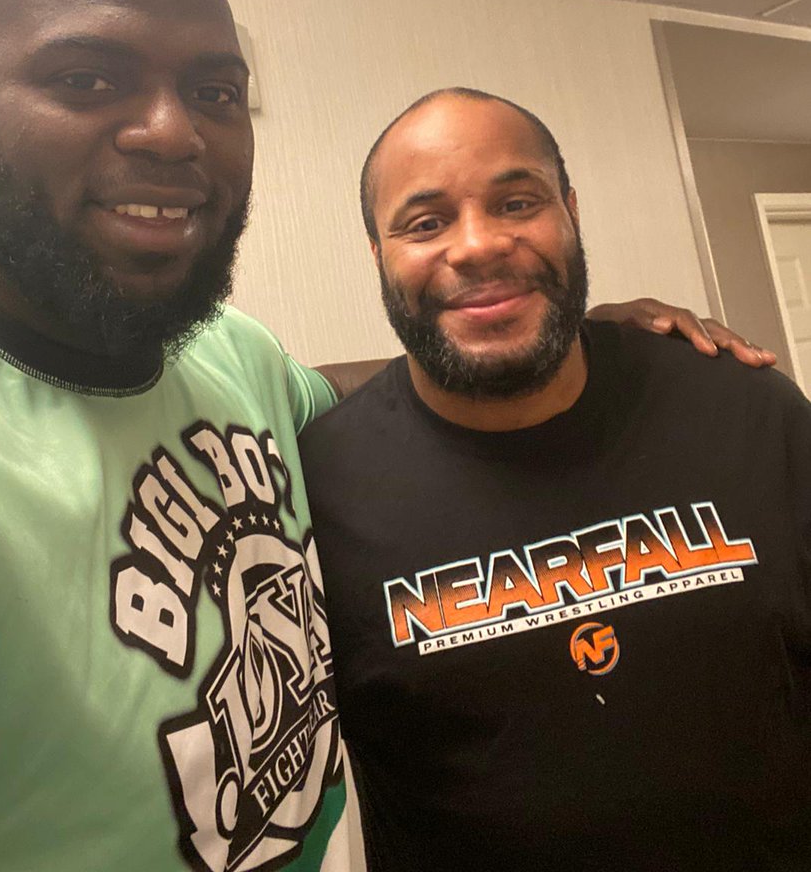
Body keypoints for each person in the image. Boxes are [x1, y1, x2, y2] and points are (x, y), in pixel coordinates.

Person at [0, 0, 769, 871]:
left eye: (215, 91)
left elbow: (378, 409)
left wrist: (559, 330)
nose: (171, 131)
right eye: (86, 77)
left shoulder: (230, 354)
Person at [299, 87, 811, 872]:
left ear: (570, 212)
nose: (478, 245)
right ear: (378, 255)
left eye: (517, 202)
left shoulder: (747, 408)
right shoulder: (317, 488)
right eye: (426, 222)